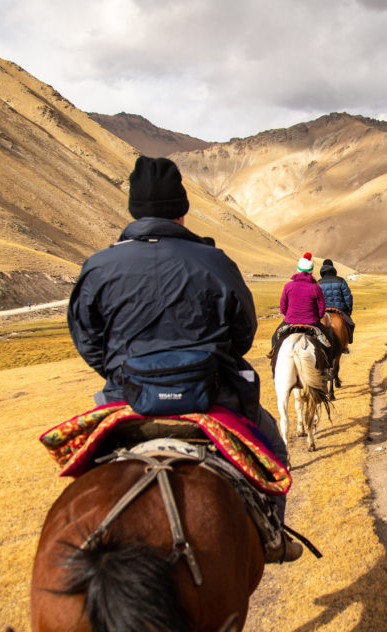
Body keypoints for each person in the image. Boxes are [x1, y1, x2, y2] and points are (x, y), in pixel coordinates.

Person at [67, 155, 302, 562]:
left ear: (132, 209)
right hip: (211, 398)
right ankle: (271, 537)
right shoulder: (214, 262)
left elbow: (87, 339)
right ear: (183, 209)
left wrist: (121, 369)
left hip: (126, 398)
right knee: (274, 450)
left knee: (87, 473)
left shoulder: (99, 266)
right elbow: (243, 333)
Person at [269, 253, 335, 365]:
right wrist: (317, 317)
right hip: (312, 322)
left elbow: (283, 308)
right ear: (312, 271)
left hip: (290, 321)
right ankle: (328, 365)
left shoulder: (288, 286)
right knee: (328, 340)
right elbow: (321, 309)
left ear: (298, 270)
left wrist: (290, 315)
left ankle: (273, 364)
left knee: (275, 337)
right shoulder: (315, 287)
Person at [317, 258, 355, 344]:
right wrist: (348, 311)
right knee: (351, 324)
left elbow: (317, 300)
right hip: (340, 309)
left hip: (324, 311)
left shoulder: (318, 283)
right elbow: (348, 297)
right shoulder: (341, 281)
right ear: (333, 268)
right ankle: (348, 341)